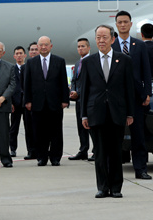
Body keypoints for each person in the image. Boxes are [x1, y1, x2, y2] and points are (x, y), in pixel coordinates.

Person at [80, 25, 135, 198]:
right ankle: (102, 187)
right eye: (98, 37)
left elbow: (129, 89)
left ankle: (116, 187)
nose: (101, 40)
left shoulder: (124, 60)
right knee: (100, 153)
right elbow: (85, 90)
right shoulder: (88, 62)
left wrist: (130, 113)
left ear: (112, 39)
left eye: (104, 37)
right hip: (96, 113)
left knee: (116, 152)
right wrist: (84, 114)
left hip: (117, 112)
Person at [111, 11, 152, 180]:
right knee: (116, 135)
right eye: (119, 22)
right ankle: (113, 170)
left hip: (136, 96)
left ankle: (140, 169)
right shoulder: (111, 46)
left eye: (125, 22)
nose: (122, 25)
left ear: (130, 24)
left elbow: (146, 71)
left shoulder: (139, 45)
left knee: (138, 136)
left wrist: (147, 93)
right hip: (116, 97)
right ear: (116, 24)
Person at [24, 36, 69, 166]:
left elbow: (63, 82)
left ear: (51, 46)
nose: (43, 47)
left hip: (55, 103)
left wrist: (65, 100)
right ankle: (41, 157)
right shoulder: (31, 63)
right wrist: (27, 101)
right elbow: (27, 83)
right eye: (41, 45)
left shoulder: (59, 61)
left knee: (56, 131)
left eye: (46, 45)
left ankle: (55, 157)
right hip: (37, 103)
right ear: (37, 47)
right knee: (39, 132)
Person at [69, 38, 94, 161]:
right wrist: (73, 91)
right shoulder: (78, 63)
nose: (80, 49)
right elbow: (74, 80)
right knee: (80, 126)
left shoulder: (92, 61)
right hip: (79, 100)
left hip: (88, 99)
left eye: (83, 46)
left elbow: (91, 82)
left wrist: (78, 92)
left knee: (91, 126)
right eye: (78, 47)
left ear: (89, 48)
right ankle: (83, 150)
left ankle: (96, 151)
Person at [9, 46, 35, 159]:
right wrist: (10, 102)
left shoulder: (29, 68)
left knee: (29, 128)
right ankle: (13, 149)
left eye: (21, 53)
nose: (19, 55)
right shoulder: (11, 69)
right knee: (13, 128)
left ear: (25, 55)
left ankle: (30, 150)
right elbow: (8, 86)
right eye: (17, 53)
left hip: (26, 102)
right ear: (14, 56)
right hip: (15, 103)